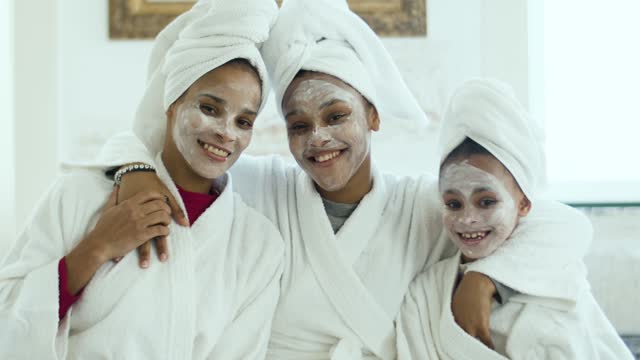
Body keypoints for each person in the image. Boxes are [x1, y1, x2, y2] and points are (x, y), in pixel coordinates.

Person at [92, 0, 592, 358]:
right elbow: (168, 146)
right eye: (298, 125)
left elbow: (561, 226)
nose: (318, 139)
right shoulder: (263, 188)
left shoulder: (424, 206)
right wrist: (134, 168)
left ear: (372, 116)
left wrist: (485, 278)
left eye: (336, 116)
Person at [0, 1, 284, 358]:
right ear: (171, 103)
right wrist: (96, 248)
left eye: (244, 121)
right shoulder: (78, 197)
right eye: (210, 108)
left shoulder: (257, 245)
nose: (226, 133)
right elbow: (7, 322)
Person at [396, 79, 634, 359]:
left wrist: (485, 279)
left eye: (487, 201)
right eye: (453, 204)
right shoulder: (424, 295)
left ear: (523, 204)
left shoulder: (556, 274)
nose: (468, 218)